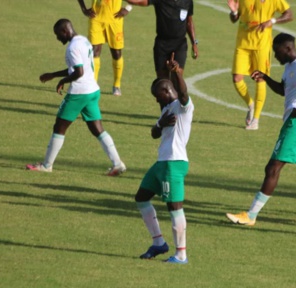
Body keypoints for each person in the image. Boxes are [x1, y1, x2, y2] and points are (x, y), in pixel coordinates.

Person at [226, 33, 296, 228]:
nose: (275, 56)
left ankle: (251, 215)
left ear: (287, 48)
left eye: (276, 52)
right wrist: (266, 78)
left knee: (273, 168)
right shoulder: (289, 67)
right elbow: (284, 90)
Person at [26, 19, 126, 176]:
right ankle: (118, 164)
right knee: (97, 129)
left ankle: (47, 165)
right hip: (92, 91)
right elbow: (79, 68)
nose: (57, 38)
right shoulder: (83, 41)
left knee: (59, 127)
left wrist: (62, 81)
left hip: (79, 93)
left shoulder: (72, 48)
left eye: (58, 34)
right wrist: (53, 75)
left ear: (65, 31)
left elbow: (78, 72)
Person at [135, 54, 194, 264]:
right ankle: (159, 242)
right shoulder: (167, 110)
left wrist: (177, 72)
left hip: (174, 164)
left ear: (166, 91)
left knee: (174, 207)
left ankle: (181, 254)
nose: (156, 99)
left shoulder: (182, 107)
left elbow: (184, 92)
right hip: (161, 163)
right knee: (141, 197)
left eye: (156, 94)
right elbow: (153, 133)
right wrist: (160, 125)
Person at [227, 0, 293, 130]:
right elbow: (234, 19)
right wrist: (234, 11)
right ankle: (250, 105)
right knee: (236, 78)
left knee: (260, 79)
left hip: (262, 45)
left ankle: (255, 119)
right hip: (243, 44)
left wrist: (272, 21)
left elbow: (289, 14)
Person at [124, 0, 198, 80]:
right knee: (163, 81)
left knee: (177, 77)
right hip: (162, 44)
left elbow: (189, 21)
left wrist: (194, 43)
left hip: (179, 44)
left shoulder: (187, 1)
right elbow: (139, 1)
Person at [77, 0, 131, 96]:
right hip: (96, 19)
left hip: (115, 18)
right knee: (94, 52)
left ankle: (116, 85)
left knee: (116, 53)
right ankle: (92, 85)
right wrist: (84, 9)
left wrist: (128, 8)